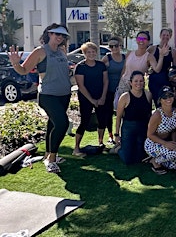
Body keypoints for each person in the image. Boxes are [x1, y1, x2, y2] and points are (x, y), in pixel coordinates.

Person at [8, 23, 71, 173]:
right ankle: (51, 159)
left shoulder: (62, 51)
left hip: (64, 94)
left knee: (53, 124)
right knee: (62, 124)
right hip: (48, 95)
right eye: (56, 34)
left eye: (62, 35)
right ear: (49, 34)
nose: (59, 37)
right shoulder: (41, 51)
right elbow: (23, 70)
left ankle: (48, 154)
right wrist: (15, 63)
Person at [73, 42, 109, 157]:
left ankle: (101, 143)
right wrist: (92, 100)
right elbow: (81, 85)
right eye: (88, 52)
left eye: (93, 52)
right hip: (85, 98)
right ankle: (76, 148)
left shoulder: (100, 65)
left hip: (100, 96)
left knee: (102, 120)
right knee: (84, 121)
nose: (91, 54)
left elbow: (105, 81)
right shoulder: (80, 67)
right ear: (84, 53)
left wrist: (103, 97)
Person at [116, 31, 167, 106]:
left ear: (148, 41)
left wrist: (161, 55)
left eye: (144, 39)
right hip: (124, 85)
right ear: (136, 40)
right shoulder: (129, 53)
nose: (141, 40)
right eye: (139, 38)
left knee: (134, 108)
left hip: (138, 86)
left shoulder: (149, 57)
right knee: (121, 108)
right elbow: (124, 69)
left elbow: (157, 69)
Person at [115, 71, 152, 164]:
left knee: (140, 158)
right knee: (128, 160)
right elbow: (118, 117)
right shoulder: (125, 97)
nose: (138, 83)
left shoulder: (147, 95)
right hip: (128, 128)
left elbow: (149, 114)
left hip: (143, 127)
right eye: (136, 81)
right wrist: (116, 135)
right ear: (130, 82)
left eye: (141, 81)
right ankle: (118, 149)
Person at [144, 86, 176, 174]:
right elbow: (150, 135)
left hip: (165, 142)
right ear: (160, 100)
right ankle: (155, 161)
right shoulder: (157, 115)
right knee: (174, 152)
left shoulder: (175, 112)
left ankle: (156, 158)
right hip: (153, 143)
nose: (168, 99)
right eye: (164, 97)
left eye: (170, 95)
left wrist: (173, 142)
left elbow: (173, 130)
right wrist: (166, 144)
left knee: (175, 165)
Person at [101, 37, 125, 144]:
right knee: (108, 114)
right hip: (109, 90)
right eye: (111, 46)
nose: (114, 48)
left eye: (116, 45)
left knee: (123, 113)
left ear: (120, 45)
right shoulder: (107, 58)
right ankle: (111, 135)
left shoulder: (125, 57)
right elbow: (99, 71)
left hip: (122, 90)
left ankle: (123, 134)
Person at [147, 28, 176, 107]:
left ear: (170, 37)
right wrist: (147, 70)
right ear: (160, 36)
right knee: (155, 101)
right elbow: (145, 60)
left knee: (165, 103)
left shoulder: (173, 52)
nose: (165, 37)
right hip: (154, 79)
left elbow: (174, 68)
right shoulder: (152, 49)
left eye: (167, 35)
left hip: (166, 80)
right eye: (163, 35)